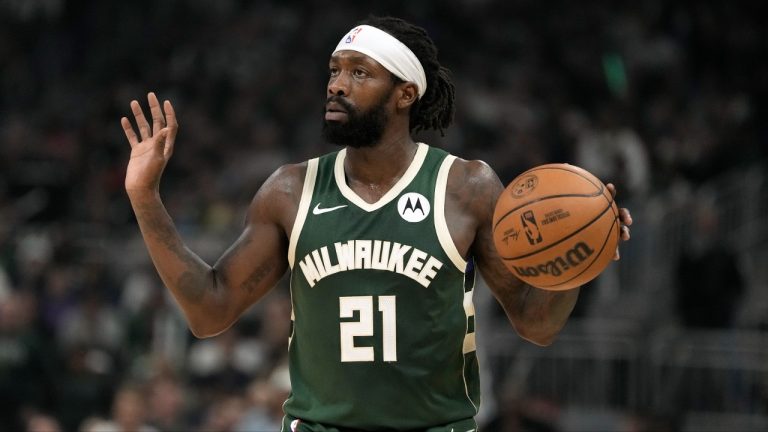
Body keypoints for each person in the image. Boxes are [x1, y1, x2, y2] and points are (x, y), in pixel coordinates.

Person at [121, 16, 633, 432]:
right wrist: (144, 197)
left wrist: (581, 258)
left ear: (405, 93)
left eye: (359, 73)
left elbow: (535, 323)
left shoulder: (466, 188)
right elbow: (209, 312)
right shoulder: (289, 191)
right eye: (334, 71)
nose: (337, 85)